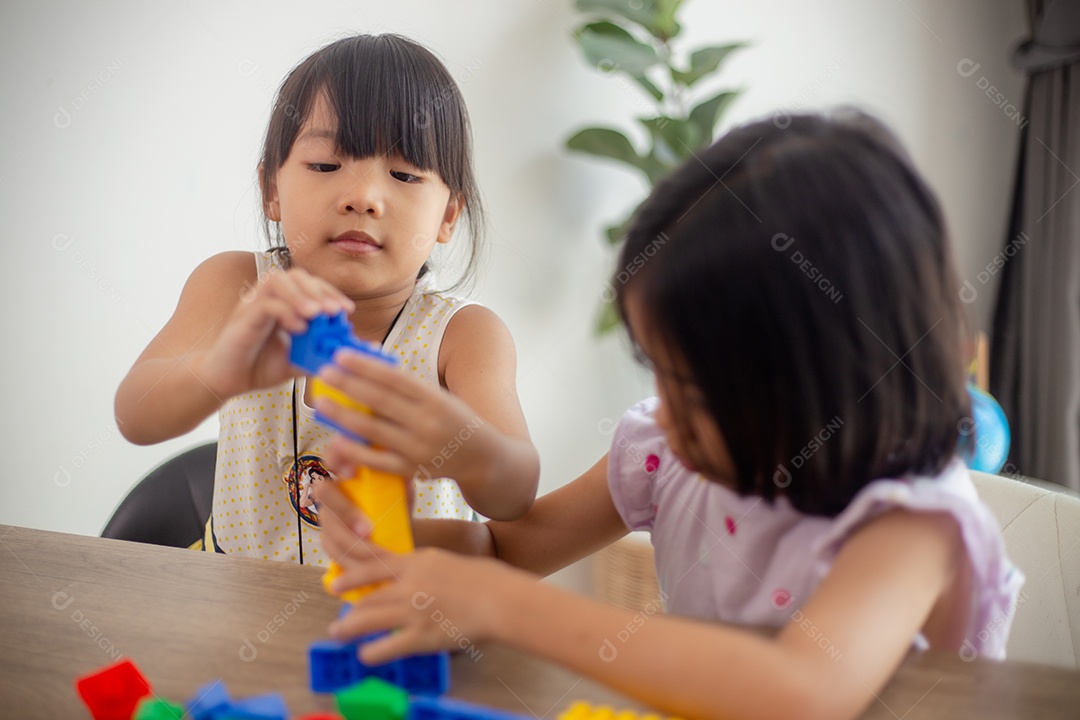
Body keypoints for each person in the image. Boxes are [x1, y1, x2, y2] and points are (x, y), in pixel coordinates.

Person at [312, 111, 1024, 720]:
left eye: (698, 389)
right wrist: (391, 536)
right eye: (660, 371)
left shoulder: (911, 523)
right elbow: (509, 551)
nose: (668, 413)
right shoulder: (669, 452)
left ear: (828, 385)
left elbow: (799, 691)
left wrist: (503, 606)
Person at [114, 34, 539, 565]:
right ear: (272, 188)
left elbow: (517, 489)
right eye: (325, 166)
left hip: (401, 617)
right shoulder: (236, 287)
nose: (362, 197)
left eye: (404, 174)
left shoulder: (464, 336)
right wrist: (220, 370)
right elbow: (136, 415)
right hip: (231, 603)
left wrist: (467, 448)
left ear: (448, 216)